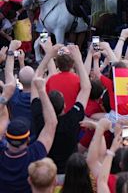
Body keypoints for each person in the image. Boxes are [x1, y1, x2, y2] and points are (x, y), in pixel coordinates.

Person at [32, 44, 90, 174]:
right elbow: (86, 88)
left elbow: (35, 82)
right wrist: (79, 60)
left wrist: (48, 55)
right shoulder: (72, 119)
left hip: (47, 173)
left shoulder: (40, 119)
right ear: (64, 105)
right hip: (69, 173)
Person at [0, 77, 57, 193]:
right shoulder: (35, 154)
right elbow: (52, 123)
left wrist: (4, 97)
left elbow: (51, 124)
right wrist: (41, 90)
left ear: (6, 137)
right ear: (27, 139)